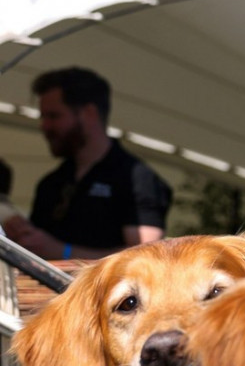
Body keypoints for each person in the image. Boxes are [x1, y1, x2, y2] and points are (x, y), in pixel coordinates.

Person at [3, 67, 172, 260]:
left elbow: (145, 259)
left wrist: (63, 252)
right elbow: (37, 251)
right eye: (43, 117)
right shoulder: (51, 183)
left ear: (89, 113)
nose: (45, 126)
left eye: (54, 116)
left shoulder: (137, 179)